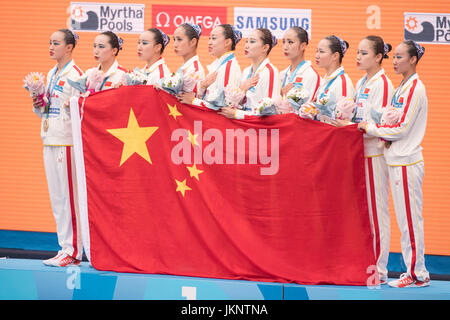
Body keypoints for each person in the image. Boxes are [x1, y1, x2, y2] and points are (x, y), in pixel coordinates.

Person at [358, 40, 430, 288]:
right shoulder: (402, 87)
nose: (395, 61)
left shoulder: (414, 88)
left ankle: (417, 273)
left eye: (400, 57)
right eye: (394, 57)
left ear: (413, 59)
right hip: (396, 159)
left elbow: (401, 128)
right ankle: (415, 271)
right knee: (404, 218)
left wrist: (371, 127)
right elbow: (392, 122)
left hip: (406, 161)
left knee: (410, 219)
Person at [32, 29, 84, 267]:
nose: (51, 46)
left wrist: (71, 104)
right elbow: (44, 109)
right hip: (49, 138)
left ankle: (73, 252)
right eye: (49, 42)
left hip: (67, 142)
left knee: (68, 199)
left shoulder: (76, 74)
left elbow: (83, 109)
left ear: (70, 47)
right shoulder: (52, 72)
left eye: (56, 43)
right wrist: (38, 99)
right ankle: (64, 248)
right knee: (57, 199)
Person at [352, 35, 395, 284]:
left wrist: (359, 125)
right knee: (364, 214)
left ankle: (379, 269)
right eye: (357, 52)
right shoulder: (361, 82)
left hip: (375, 153)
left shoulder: (383, 83)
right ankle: (366, 265)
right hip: (359, 152)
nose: (358, 57)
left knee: (378, 213)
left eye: (364, 53)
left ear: (379, 57)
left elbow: (381, 123)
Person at [219, 28, 280, 119]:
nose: (246, 46)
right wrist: (241, 89)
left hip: (259, 130)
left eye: (252, 42)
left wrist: (237, 114)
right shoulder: (246, 71)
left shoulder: (270, 71)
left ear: (265, 47)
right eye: (246, 41)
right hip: (243, 128)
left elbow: (270, 113)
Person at [178, 24, 242, 110]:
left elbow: (225, 107)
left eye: (214, 38)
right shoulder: (219, 65)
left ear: (227, 42)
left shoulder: (229, 68)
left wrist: (194, 101)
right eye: (209, 38)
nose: (209, 42)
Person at [314, 35, 354, 122]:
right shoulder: (324, 80)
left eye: (321, 52)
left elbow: (344, 120)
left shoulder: (343, 82)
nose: (317, 55)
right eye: (316, 51)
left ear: (335, 56)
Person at [280, 26, 320, 103]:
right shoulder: (282, 74)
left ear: (303, 46)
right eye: (284, 42)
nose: (285, 47)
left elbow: (308, 110)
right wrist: (280, 94)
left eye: (290, 42)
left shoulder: (311, 75)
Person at [172, 23, 205, 96]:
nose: (175, 44)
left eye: (179, 39)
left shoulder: (195, 70)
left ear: (193, 42)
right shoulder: (186, 66)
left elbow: (188, 102)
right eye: (174, 39)